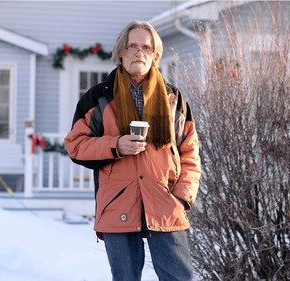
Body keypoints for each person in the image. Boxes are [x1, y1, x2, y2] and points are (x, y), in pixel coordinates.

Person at [64, 20, 201, 281]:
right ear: (121, 52)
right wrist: (115, 145)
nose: (140, 52)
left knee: (179, 278)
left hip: (165, 203)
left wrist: (181, 198)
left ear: (155, 54)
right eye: (133, 46)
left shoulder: (174, 99)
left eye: (146, 47)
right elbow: (75, 145)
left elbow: (190, 153)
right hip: (117, 204)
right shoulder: (99, 97)